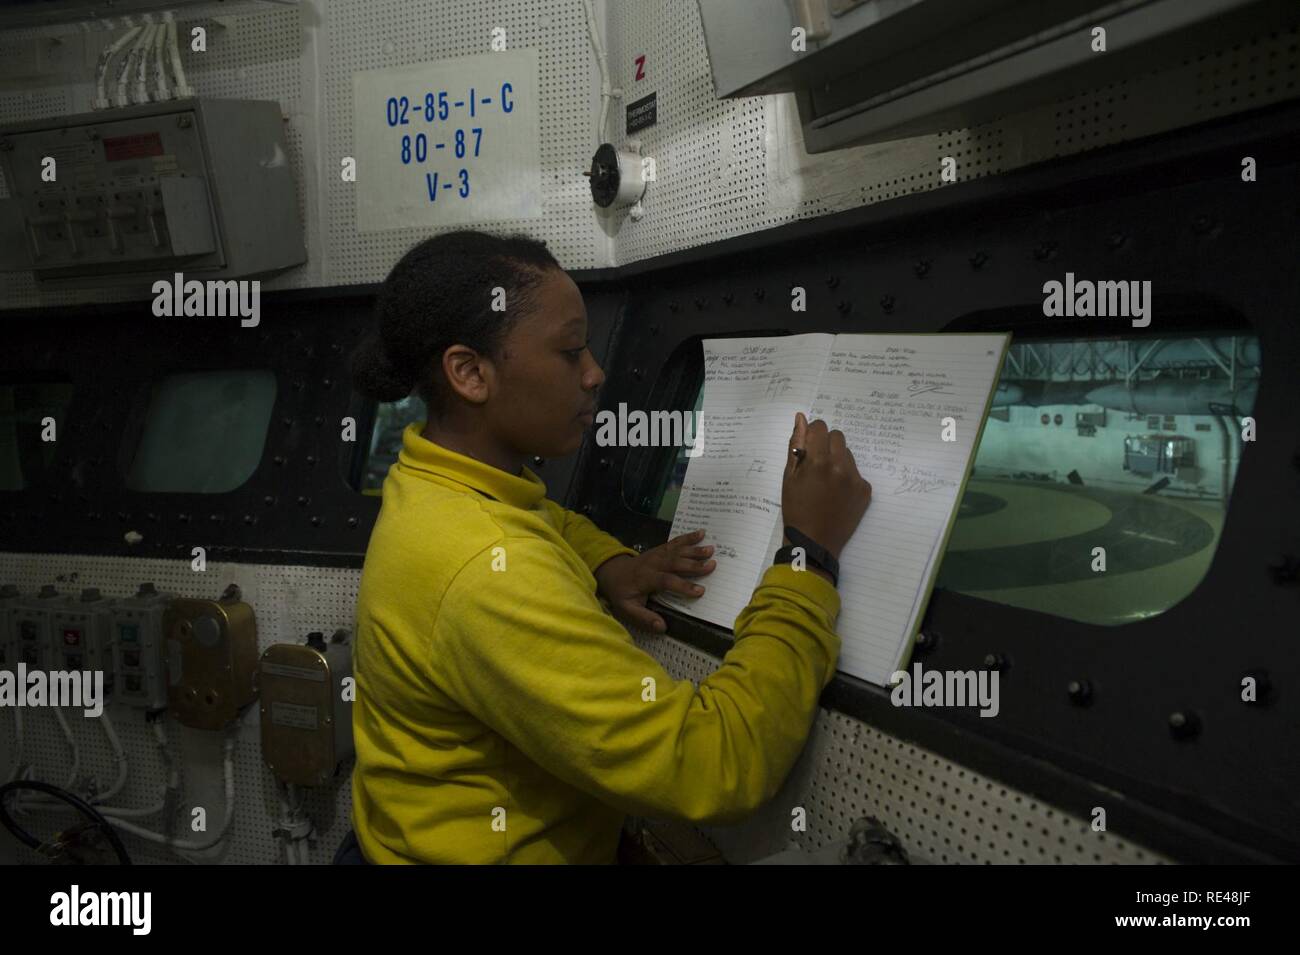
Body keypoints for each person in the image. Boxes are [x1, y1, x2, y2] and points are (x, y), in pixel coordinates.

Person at [346, 229, 872, 863]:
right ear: (469, 372)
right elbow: (712, 766)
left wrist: (610, 563)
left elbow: (541, 519)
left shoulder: (436, 480)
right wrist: (807, 555)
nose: (594, 373)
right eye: (570, 351)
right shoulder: (485, 571)